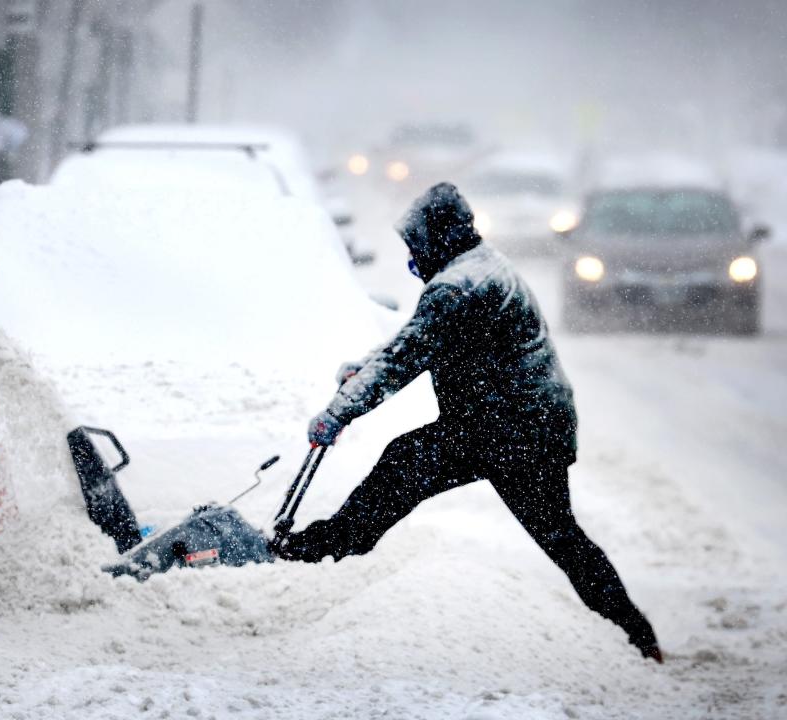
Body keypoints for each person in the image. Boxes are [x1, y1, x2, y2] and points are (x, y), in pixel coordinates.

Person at [270, 182, 662, 663]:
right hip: (523, 423)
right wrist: (363, 367)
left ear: (439, 238)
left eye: (416, 247)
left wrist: (338, 411)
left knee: (407, 465)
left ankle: (309, 555)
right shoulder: (478, 265)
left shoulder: (458, 287)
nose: (414, 259)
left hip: (507, 427)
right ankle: (636, 636)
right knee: (560, 535)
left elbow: (404, 357)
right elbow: (411, 343)